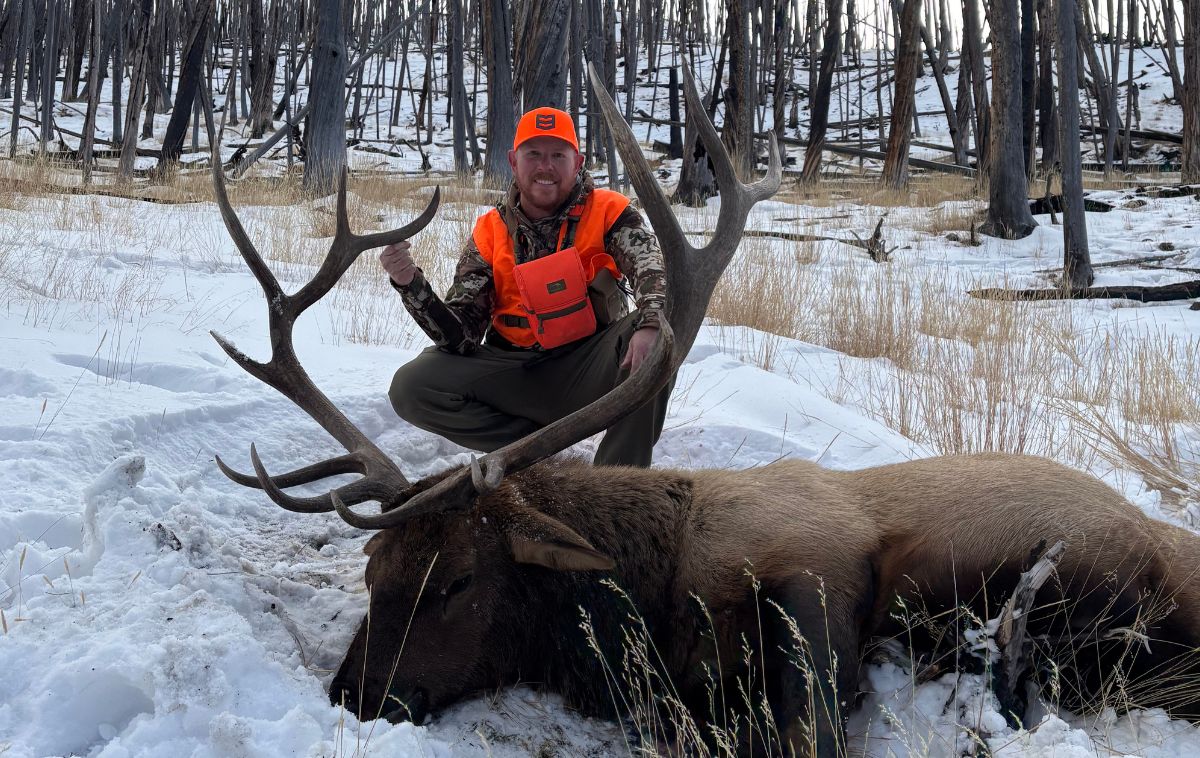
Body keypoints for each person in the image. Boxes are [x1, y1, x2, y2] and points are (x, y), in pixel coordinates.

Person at [380, 107, 671, 468]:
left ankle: (616, 484)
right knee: (412, 386)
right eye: (533, 154)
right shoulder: (490, 230)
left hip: (587, 366)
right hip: (515, 370)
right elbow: (462, 336)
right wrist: (411, 285)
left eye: (557, 156)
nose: (545, 166)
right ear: (513, 162)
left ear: (577, 162)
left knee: (657, 343)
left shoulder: (610, 211)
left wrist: (651, 324)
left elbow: (652, 269)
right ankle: (533, 454)